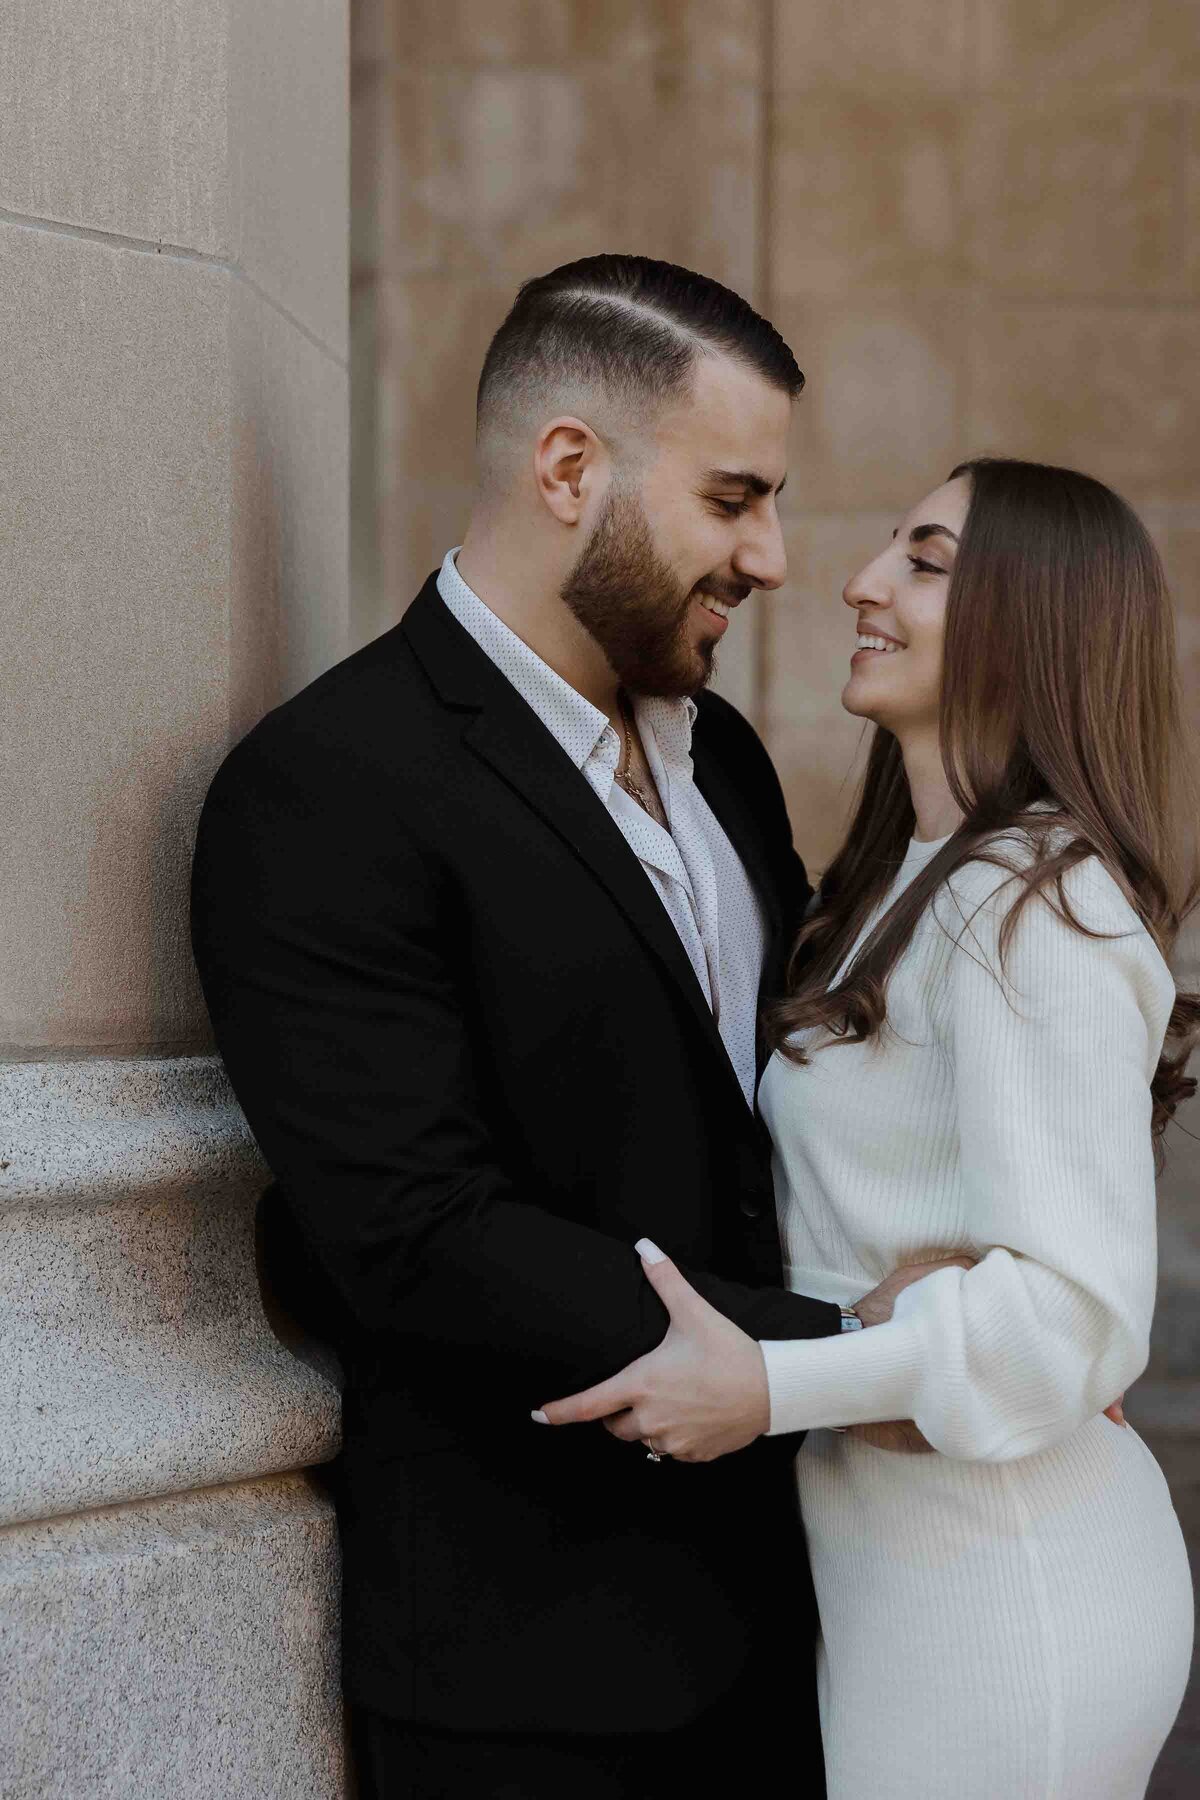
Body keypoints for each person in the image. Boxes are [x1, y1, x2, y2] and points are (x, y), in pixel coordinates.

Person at [189, 254, 962, 1798]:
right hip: (536, 1672)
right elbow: (414, 1227)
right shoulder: (326, 785)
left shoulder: (723, 753)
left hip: (799, 1626)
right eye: (735, 498)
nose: (778, 557)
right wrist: (847, 1350)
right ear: (568, 469)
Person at [539, 457, 1198, 1797]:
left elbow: (1077, 1318)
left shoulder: (1031, 898)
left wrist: (781, 1383)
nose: (859, 582)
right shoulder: (913, 876)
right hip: (904, 1565)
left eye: (928, 561)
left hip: (1005, 1580)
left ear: (1037, 621)